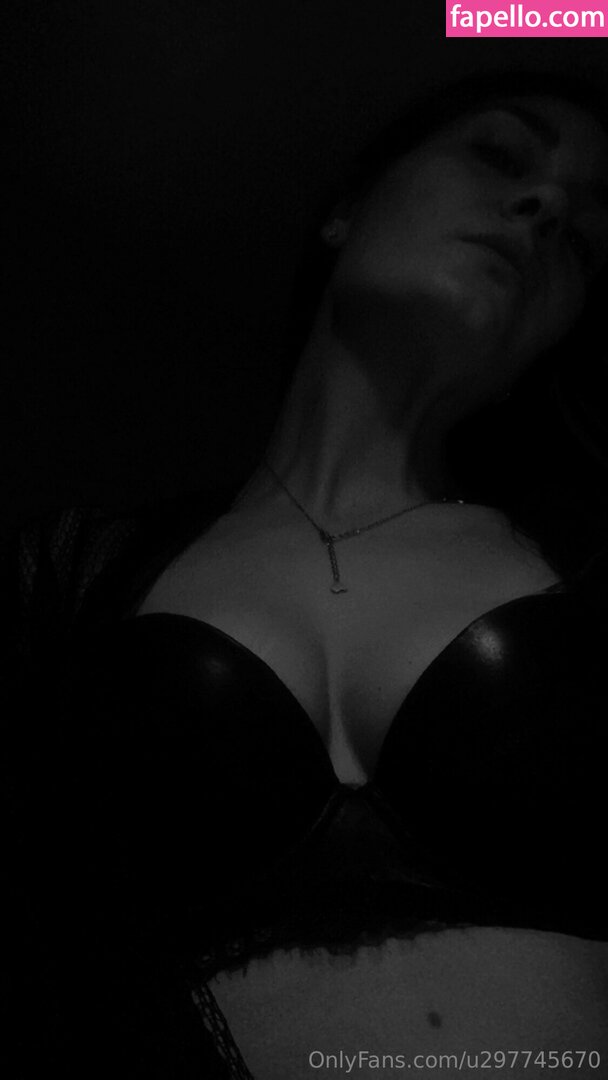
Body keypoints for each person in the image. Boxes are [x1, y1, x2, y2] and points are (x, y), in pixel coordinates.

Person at [5, 67, 608, 1079]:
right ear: (344, 209)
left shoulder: (589, 565)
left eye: (585, 238)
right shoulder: (75, 576)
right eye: (501, 155)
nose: (546, 206)